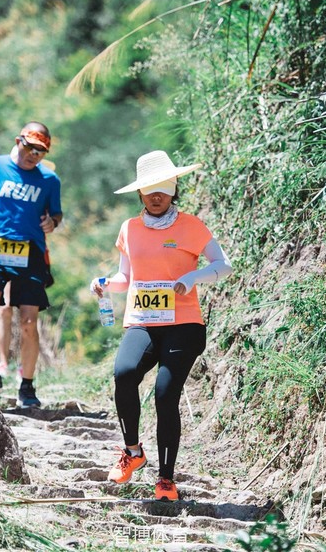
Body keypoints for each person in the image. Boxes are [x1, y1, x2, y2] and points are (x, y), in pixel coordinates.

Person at [90, 150, 232, 501]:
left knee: (166, 394)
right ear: (140, 192)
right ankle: (133, 452)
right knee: (124, 373)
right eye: (149, 189)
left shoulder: (192, 226)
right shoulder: (129, 229)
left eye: (163, 189)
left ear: (174, 189)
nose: (156, 196)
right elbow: (127, 276)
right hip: (142, 320)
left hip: (183, 323)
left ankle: (166, 480)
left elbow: (223, 265)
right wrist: (106, 283)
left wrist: (193, 276)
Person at [0, 122, 62, 408]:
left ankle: (27, 386)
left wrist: (52, 222)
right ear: (18, 141)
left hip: (30, 253)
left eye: (40, 151)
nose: (33, 155)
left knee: (28, 322)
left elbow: (56, 214)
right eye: (29, 147)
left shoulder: (49, 180)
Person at [0, 159, 56, 384]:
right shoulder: (10, 189)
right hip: (5, 251)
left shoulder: (46, 191)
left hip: (34, 257)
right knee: (4, 309)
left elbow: (53, 219)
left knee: (28, 316)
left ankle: (24, 366)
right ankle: (3, 361)